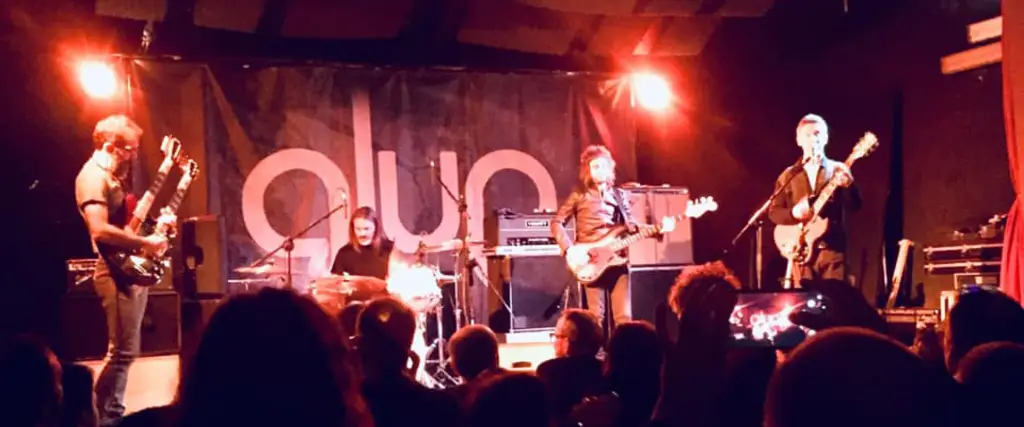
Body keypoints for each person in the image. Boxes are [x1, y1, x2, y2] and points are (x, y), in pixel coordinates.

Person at [75, 114, 175, 426]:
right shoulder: (93, 178)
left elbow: (125, 226)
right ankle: (104, 417)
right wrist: (144, 243)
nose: (133, 156)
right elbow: (99, 230)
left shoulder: (113, 176)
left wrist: (156, 228)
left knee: (126, 352)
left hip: (126, 269)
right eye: (130, 149)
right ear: (110, 146)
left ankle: (107, 412)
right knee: (120, 353)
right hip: (113, 273)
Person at [551, 145, 675, 332]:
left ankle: (622, 349)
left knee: (624, 318)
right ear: (588, 170)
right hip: (591, 260)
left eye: (603, 166)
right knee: (595, 318)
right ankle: (597, 351)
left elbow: (632, 228)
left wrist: (659, 229)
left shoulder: (619, 195)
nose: (600, 170)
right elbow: (556, 222)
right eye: (595, 167)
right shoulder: (579, 196)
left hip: (617, 260)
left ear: (610, 168)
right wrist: (569, 249)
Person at [768, 114, 861, 283]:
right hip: (801, 251)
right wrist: (794, 213)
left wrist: (849, 185)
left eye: (818, 134)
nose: (813, 139)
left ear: (825, 138)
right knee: (803, 298)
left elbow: (855, 205)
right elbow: (774, 213)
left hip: (831, 250)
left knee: (834, 297)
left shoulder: (837, 169)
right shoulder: (788, 175)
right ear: (799, 140)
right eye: (808, 135)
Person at [330, 206, 395, 280]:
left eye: (366, 229)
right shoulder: (344, 253)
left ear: (376, 227)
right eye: (358, 229)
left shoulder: (390, 249)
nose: (362, 234)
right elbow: (335, 281)